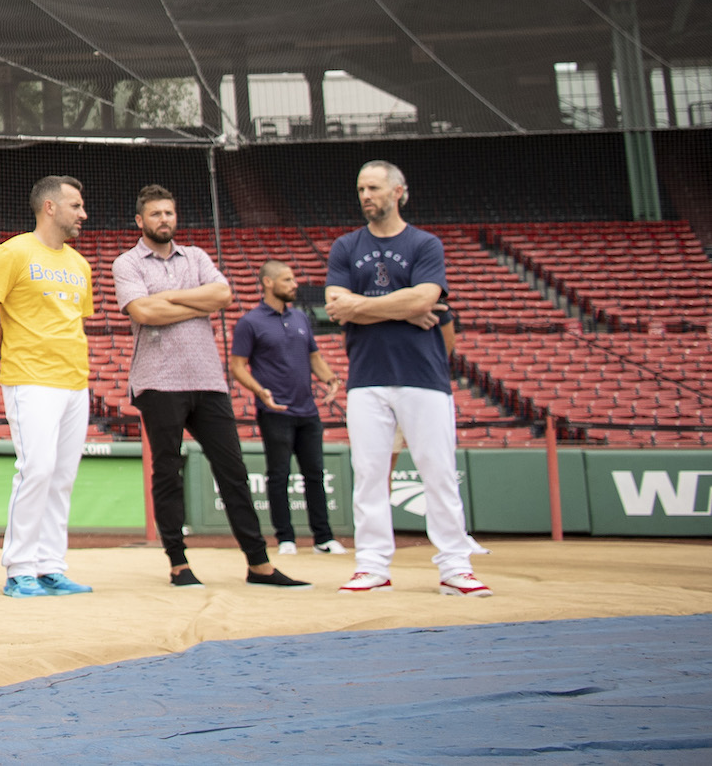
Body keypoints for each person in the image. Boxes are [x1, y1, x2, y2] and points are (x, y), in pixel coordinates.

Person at [112, 187, 304, 589]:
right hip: (157, 381)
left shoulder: (196, 256)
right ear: (140, 221)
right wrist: (193, 302)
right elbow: (143, 311)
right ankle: (178, 563)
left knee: (233, 471)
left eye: (169, 212)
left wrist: (170, 299)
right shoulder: (126, 263)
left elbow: (223, 295)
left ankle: (259, 564)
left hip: (208, 380)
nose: (164, 219)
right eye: (155, 214)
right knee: (167, 472)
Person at [324, 160, 489, 598]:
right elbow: (336, 306)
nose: (365, 196)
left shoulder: (425, 244)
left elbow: (426, 297)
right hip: (367, 378)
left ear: (399, 192)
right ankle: (372, 566)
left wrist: (367, 307)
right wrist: (404, 308)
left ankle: (455, 566)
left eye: (374, 188)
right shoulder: (345, 246)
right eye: (361, 188)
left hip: (423, 375)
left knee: (438, 472)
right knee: (370, 474)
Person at [0, 177, 93, 597]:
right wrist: (10, 351)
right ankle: (20, 567)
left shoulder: (80, 264)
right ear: (50, 207)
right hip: (31, 377)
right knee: (36, 470)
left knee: (61, 476)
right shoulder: (13, 252)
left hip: (75, 379)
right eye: (76, 205)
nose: (83, 214)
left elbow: (74, 320)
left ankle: (51, 565)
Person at [229, 260, 345, 557]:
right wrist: (259, 391)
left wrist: (330, 378)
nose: (295, 284)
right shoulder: (250, 322)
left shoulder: (301, 319)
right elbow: (238, 367)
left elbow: (314, 356)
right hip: (275, 411)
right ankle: (286, 538)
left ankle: (323, 538)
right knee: (278, 475)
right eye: (287, 279)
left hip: (308, 411)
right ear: (268, 283)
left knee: (314, 474)